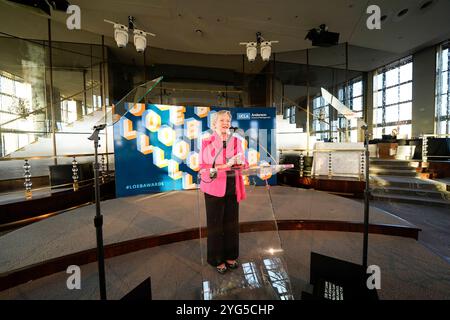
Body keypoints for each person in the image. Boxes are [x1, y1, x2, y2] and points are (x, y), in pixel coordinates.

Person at [199, 110, 247, 274]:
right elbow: (205, 164)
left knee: (231, 223)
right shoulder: (207, 141)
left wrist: (240, 162)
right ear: (214, 124)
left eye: (228, 120)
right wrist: (227, 164)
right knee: (215, 225)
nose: (226, 123)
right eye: (222, 120)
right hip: (214, 186)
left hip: (233, 185)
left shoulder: (236, 140)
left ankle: (231, 256)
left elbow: (244, 162)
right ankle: (217, 259)